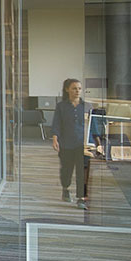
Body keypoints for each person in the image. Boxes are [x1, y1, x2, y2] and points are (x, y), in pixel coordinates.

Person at [49, 77, 91, 206]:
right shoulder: (61, 106)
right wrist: (55, 138)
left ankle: (81, 198)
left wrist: (96, 142)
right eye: (74, 88)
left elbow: (92, 125)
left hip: (82, 145)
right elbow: (56, 123)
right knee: (66, 170)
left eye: (79, 88)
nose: (77, 91)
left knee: (81, 171)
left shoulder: (87, 106)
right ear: (67, 90)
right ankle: (65, 188)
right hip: (66, 143)